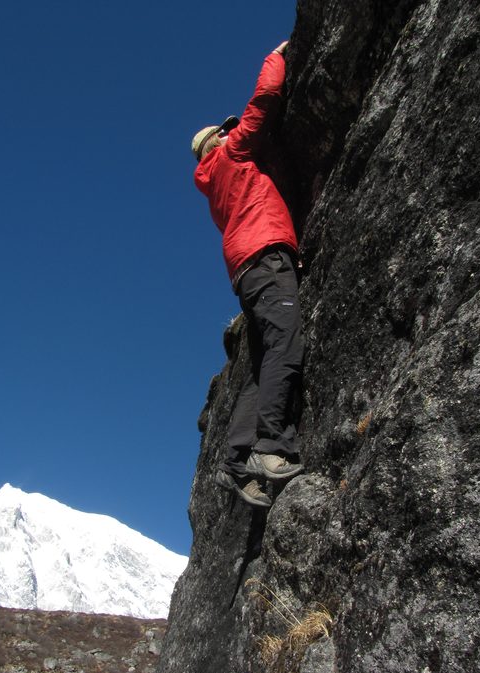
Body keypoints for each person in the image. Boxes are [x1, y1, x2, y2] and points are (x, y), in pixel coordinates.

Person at [191, 41, 304, 509]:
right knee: (286, 341)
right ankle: (272, 448)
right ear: (216, 143)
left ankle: (236, 460)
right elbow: (263, 102)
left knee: (261, 363)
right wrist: (275, 57)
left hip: (245, 270)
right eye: (224, 132)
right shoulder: (232, 156)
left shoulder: (214, 182)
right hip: (266, 257)